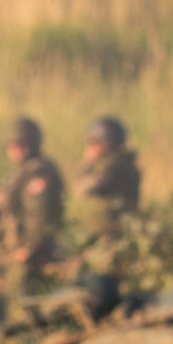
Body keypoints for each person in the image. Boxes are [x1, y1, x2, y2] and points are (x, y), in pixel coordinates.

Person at [0, 116, 66, 314]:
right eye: (13, 144)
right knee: (18, 302)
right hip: (21, 251)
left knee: (25, 307)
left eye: (21, 144)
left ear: (33, 144)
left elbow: (40, 215)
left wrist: (29, 248)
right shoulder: (22, 172)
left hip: (33, 255)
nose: (15, 149)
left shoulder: (37, 173)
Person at [71, 115, 140, 270]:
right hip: (117, 234)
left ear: (104, 143)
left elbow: (84, 189)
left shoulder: (114, 166)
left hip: (112, 238)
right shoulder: (124, 163)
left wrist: (88, 162)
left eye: (94, 142)